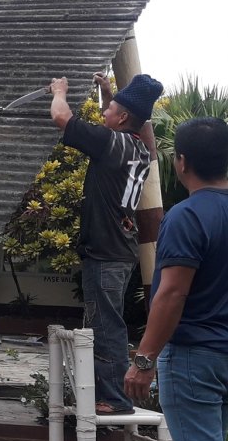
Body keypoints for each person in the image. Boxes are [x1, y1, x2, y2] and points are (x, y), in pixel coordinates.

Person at [124, 117, 228, 441]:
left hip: (193, 354)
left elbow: (172, 293)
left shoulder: (186, 216)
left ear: (181, 161)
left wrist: (144, 360)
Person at [50, 72, 163, 415]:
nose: (103, 114)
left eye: (109, 109)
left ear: (124, 117)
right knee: (104, 321)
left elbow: (61, 117)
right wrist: (108, 92)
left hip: (106, 252)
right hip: (121, 249)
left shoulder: (108, 143)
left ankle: (114, 397)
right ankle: (108, 393)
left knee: (106, 325)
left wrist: (60, 91)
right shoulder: (139, 149)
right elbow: (117, 123)